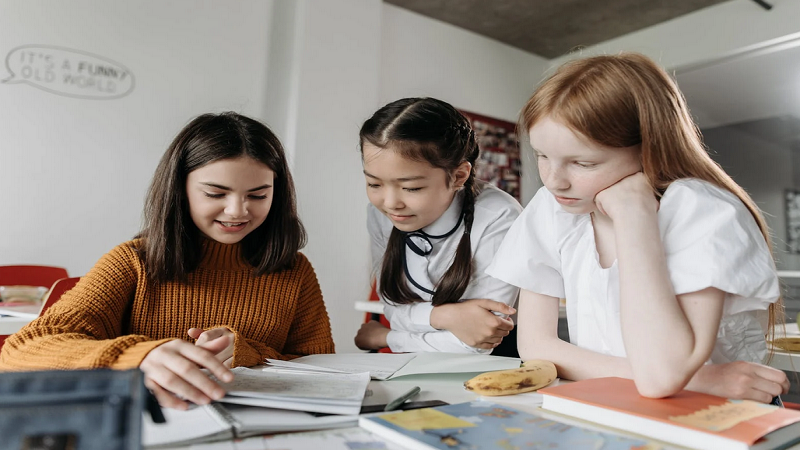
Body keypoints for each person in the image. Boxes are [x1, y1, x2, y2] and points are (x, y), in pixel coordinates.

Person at [487, 53, 790, 402]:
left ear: (649, 147)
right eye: (541, 155)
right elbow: (537, 346)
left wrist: (634, 215)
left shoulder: (702, 210)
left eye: (583, 163)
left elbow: (660, 376)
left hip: (718, 413)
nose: (554, 181)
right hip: (617, 402)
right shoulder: (550, 210)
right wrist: (703, 379)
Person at [0, 112, 335, 409]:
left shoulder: (294, 270)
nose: (237, 211)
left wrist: (249, 353)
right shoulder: (132, 262)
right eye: (215, 194)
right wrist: (139, 356)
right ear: (181, 189)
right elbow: (20, 351)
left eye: (258, 195)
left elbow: (322, 369)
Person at [354, 97, 522, 354]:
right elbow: (393, 308)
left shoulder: (499, 217)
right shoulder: (380, 215)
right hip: (413, 362)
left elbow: (478, 341)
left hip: (494, 365)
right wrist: (447, 318)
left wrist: (386, 338)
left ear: (458, 176)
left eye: (412, 188)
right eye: (374, 184)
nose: (390, 203)